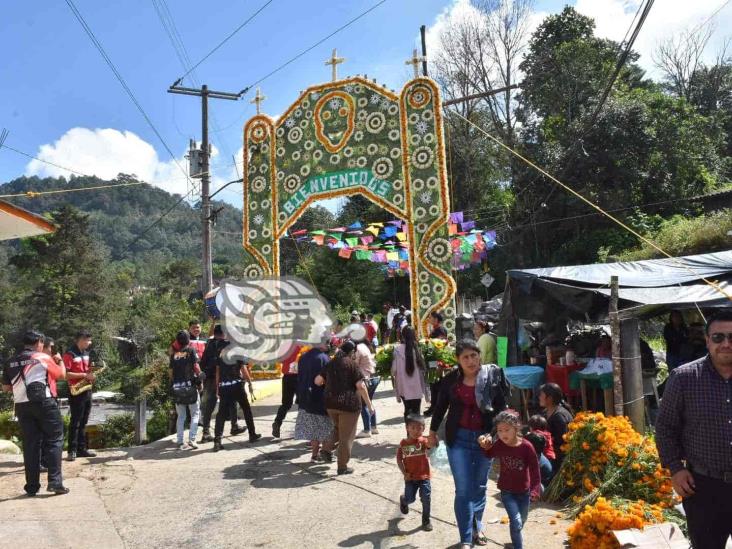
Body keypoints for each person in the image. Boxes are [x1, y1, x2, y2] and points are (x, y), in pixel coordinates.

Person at [655, 309, 732, 549]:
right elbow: (665, 428)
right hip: (704, 488)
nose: (726, 344)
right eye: (718, 337)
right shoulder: (684, 378)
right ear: (707, 340)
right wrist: (676, 468)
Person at [428, 340, 510, 548]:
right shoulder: (450, 381)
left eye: (474, 355)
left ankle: (477, 526)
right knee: (463, 490)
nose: (471, 361)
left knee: (480, 487)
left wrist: (493, 435)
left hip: (485, 440)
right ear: (458, 360)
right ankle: (466, 538)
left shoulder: (491, 378)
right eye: (465, 357)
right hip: (459, 440)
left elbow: (502, 410)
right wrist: (431, 433)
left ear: (479, 356)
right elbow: (439, 409)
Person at [2, 331, 68, 496]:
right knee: (54, 440)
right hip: (44, 403)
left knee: (30, 445)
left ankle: (32, 486)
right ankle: (55, 482)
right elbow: (61, 375)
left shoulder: (10, 361)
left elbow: (5, 388)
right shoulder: (42, 357)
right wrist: (59, 360)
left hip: (22, 405)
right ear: (39, 342)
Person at [479, 411, 541, 549]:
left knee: (521, 520)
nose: (502, 434)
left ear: (516, 428)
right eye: (500, 430)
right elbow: (489, 454)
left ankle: (515, 537)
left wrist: (535, 490)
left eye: (507, 430)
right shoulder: (500, 445)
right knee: (516, 520)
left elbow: (535, 471)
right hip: (507, 491)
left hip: (524, 492)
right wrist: (484, 446)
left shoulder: (527, 447)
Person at [315, 341, 375, 475]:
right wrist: (370, 406)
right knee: (346, 437)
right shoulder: (352, 364)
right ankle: (342, 466)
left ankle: (325, 449)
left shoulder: (330, 363)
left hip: (331, 404)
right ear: (352, 352)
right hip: (349, 405)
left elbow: (317, 381)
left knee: (336, 429)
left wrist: (330, 383)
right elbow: (360, 386)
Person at [199, 325, 243, 443]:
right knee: (232, 401)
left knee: (209, 405)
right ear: (224, 333)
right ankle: (234, 426)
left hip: (209, 378)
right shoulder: (226, 344)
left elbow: (202, 362)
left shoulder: (209, 344)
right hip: (223, 378)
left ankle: (206, 433)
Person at [213, 346, 262, 451]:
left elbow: (218, 373)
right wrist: (249, 383)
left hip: (224, 386)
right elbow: (244, 370)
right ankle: (252, 434)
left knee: (221, 414)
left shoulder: (221, 355)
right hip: (237, 386)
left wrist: (217, 387)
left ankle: (217, 441)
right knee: (246, 409)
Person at [293, 341, 334, 463]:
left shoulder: (303, 357)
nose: (328, 344)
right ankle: (325, 452)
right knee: (326, 428)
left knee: (313, 430)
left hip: (305, 398)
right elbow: (328, 380)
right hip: (320, 398)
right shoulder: (324, 358)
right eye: (326, 342)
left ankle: (314, 455)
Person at [63, 330, 97, 461]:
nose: (90, 343)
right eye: (88, 340)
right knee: (76, 421)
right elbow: (65, 374)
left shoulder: (87, 353)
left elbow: (87, 369)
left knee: (84, 420)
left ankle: (82, 449)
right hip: (76, 391)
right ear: (81, 340)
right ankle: (71, 450)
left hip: (87, 389)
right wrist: (84, 375)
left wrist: (92, 374)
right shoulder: (69, 354)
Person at [397, 414, 433, 532]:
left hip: (424, 477)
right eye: (413, 428)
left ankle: (426, 520)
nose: (416, 431)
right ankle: (404, 500)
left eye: (419, 428)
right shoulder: (403, 444)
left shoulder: (423, 441)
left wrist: (432, 441)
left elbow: (429, 446)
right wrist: (404, 473)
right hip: (410, 478)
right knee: (410, 499)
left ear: (423, 428)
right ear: (407, 428)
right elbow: (399, 459)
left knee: (426, 498)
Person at [169, 330, 202, 450]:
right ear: (188, 340)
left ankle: (179, 440)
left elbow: (171, 372)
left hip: (177, 388)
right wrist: (200, 377)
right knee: (195, 413)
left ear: (178, 341)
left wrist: (173, 385)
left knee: (181, 416)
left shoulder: (174, 355)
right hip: (190, 387)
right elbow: (196, 366)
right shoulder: (191, 350)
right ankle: (192, 439)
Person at [391, 325, 430, 423]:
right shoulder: (417, 349)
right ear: (414, 336)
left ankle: (409, 435)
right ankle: (417, 435)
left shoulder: (397, 350)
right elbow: (423, 369)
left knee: (407, 410)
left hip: (403, 387)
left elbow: (393, 370)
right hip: (417, 386)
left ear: (402, 336)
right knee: (417, 411)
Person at [538, 383, 574, 470]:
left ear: (549, 398)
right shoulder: (545, 413)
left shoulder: (559, 417)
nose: (539, 397)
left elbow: (563, 443)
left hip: (560, 460)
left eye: (541, 395)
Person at [39, 338, 63, 470]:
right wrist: (60, 360)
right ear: (43, 347)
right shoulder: (45, 360)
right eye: (51, 348)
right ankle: (43, 461)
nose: (52, 351)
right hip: (47, 398)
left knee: (45, 433)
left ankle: (44, 460)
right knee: (48, 433)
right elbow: (62, 374)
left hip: (50, 395)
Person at [272, 344, 303, 439]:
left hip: (287, 377)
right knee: (302, 404)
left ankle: (277, 422)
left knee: (285, 403)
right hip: (298, 377)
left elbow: (280, 360)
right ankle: (300, 429)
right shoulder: (302, 346)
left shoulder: (284, 347)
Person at [354, 337, 380, 438]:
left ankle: (367, 430)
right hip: (373, 378)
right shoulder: (364, 346)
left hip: (366, 379)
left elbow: (354, 364)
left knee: (363, 403)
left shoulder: (357, 349)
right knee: (369, 402)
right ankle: (373, 427)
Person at [526, 414, 555, 486]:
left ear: (532, 427)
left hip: (545, 456)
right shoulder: (547, 434)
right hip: (550, 456)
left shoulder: (538, 436)